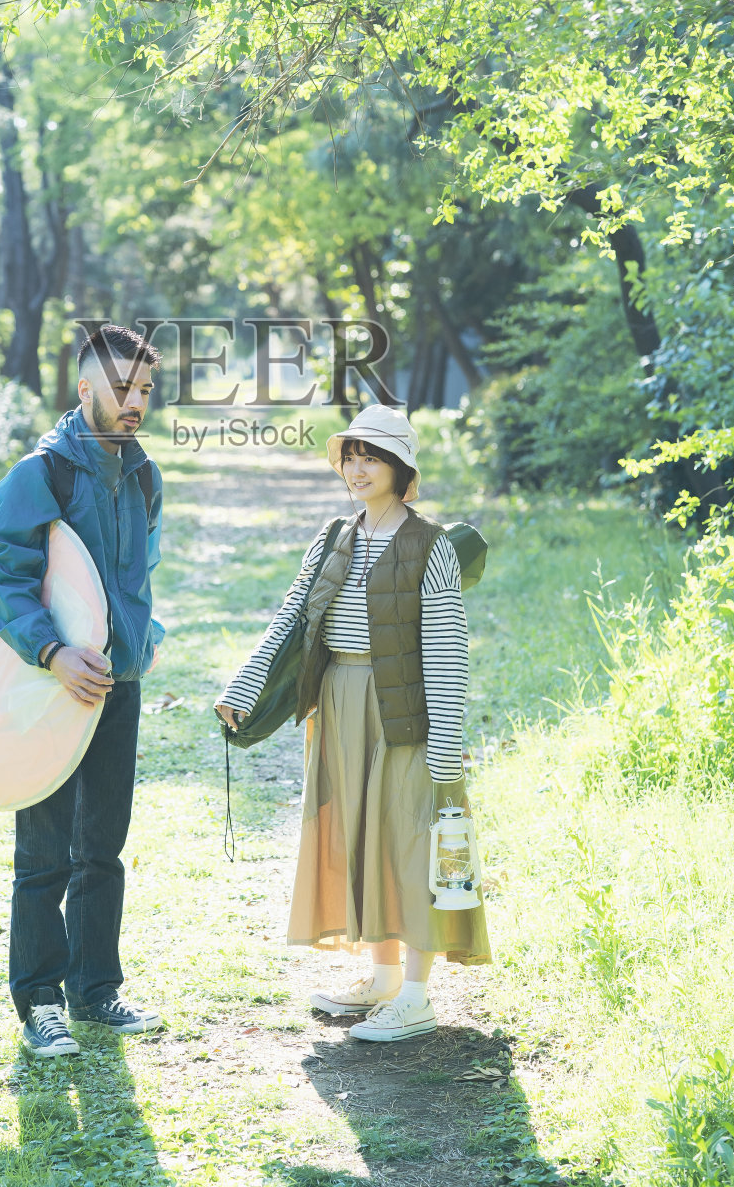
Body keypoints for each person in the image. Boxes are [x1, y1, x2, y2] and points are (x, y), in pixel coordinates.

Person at [216, 404, 490, 1042]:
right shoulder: (334, 536)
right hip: (339, 701)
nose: (358, 468)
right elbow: (290, 622)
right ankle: (383, 975)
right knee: (360, 835)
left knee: (412, 837)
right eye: (351, 456)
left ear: (402, 468)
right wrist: (245, 687)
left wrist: (446, 746)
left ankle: (418, 996)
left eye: (373, 456)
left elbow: (448, 651)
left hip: (404, 710)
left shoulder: (433, 545)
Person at [0, 324, 166, 1056]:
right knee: (46, 853)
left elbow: (139, 574)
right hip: (50, 686)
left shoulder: (145, 472)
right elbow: (7, 578)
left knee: (103, 849)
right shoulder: (41, 474)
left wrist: (141, 646)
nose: (136, 403)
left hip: (116, 686)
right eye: (124, 388)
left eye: (147, 390)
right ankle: (38, 1002)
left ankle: (96, 992)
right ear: (85, 387)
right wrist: (52, 652)